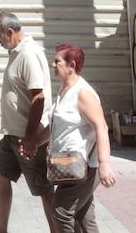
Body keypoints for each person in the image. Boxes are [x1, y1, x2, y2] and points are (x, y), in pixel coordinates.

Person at [20, 44, 117, 233]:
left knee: (61, 212)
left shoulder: (83, 93)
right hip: (69, 166)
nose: (53, 64)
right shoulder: (64, 90)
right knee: (84, 217)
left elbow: (102, 127)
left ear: (71, 65)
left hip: (85, 167)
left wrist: (104, 163)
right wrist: (34, 142)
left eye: (57, 61)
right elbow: (56, 127)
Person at [0, 12, 53, 233]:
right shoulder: (15, 52)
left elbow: (39, 97)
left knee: (43, 189)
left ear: (10, 32)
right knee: (0, 175)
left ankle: (58, 230)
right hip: (11, 135)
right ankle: (0, 230)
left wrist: (31, 137)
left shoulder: (28, 54)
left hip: (27, 137)